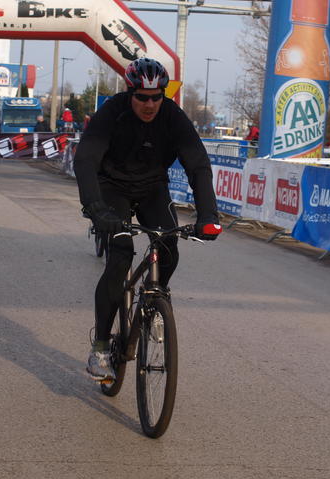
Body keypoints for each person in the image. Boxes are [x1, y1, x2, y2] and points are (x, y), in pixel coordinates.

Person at [73, 57, 221, 381]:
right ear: (130, 93)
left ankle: (156, 300)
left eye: (156, 97)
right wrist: (96, 208)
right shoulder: (113, 112)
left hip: (153, 188)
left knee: (168, 245)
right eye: (142, 97)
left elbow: (198, 165)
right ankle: (101, 346)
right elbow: (85, 160)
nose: (150, 104)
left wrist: (208, 215)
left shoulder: (172, 116)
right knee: (121, 255)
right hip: (112, 188)